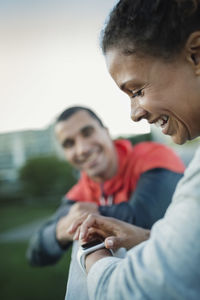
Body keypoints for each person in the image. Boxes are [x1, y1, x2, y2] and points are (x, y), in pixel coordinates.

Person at [69, 1, 200, 299]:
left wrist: (91, 251)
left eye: (138, 91)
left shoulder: (158, 158)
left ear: (195, 54)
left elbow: (135, 292)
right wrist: (148, 239)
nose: (134, 114)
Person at [26, 106, 184, 298]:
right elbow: (36, 252)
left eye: (87, 132)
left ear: (107, 132)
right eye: (69, 144)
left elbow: (145, 216)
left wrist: (86, 217)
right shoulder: (80, 192)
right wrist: (64, 227)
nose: (82, 149)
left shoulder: (153, 155)